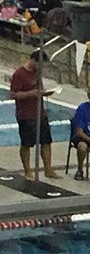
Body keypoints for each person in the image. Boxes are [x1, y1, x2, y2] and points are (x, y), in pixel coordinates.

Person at [9, 50, 58, 181]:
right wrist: (31, 93)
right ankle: (27, 171)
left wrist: (45, 93)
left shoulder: (37, 73)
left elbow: (39, 90)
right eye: (41, 64)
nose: (42, 68)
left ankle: (48, 169)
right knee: (27, 144)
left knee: (46, 142)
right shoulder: (19, 74)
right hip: (25, 115)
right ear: (34, 60)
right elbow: (13, 95)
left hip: (39, 113)